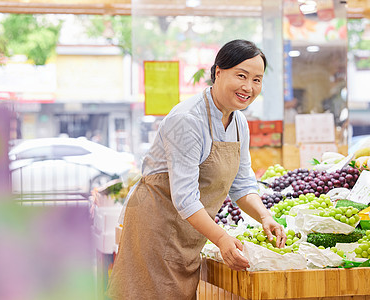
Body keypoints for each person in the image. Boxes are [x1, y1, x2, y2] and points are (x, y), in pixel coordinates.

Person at [107, 39, 286, 300]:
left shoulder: (239, 123)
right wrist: (223, 239)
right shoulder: (187, 120)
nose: (249, 87)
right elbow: (185, 198)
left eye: (257, 79)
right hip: (156, 227)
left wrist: (264, 216)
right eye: (241, 75)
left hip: (189, 230)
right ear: (218, 72)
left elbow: (242, 185)